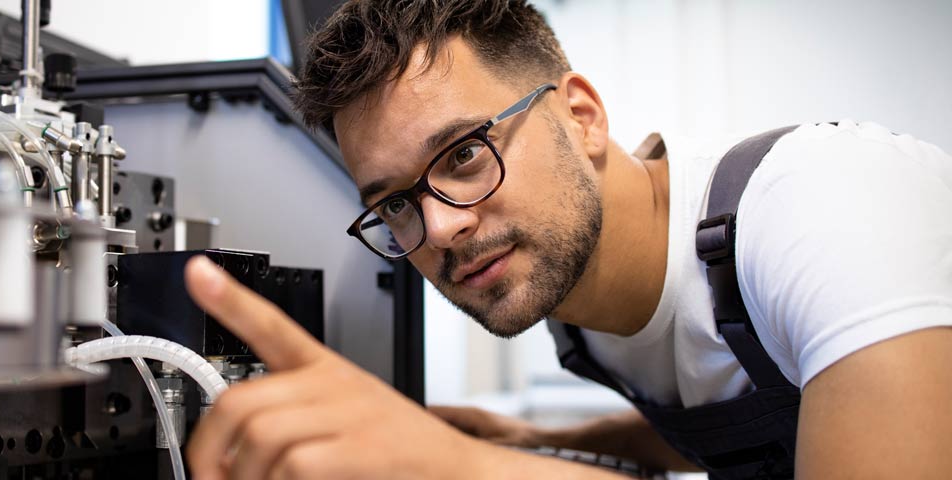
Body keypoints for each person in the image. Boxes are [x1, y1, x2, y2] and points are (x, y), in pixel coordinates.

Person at [179, 0, 952, 478]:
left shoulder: (819, 205)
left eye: (465, 153)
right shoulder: (571, 297)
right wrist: (536, 441)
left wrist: (467, 470)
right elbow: (757, 425)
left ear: (580, 117)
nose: (441, 226)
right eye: (395, 205)